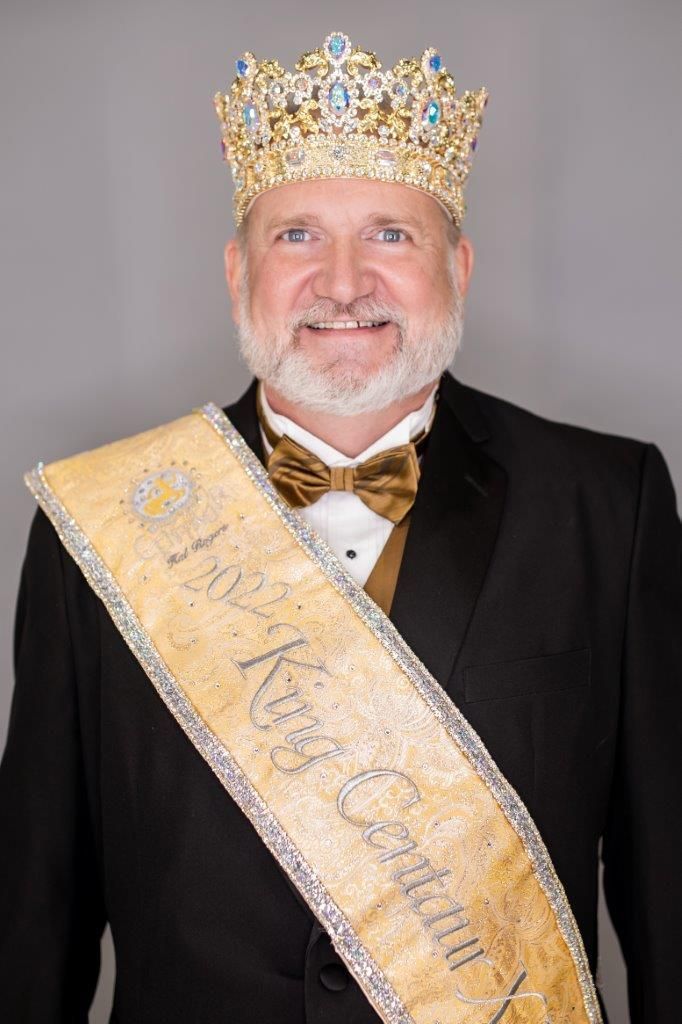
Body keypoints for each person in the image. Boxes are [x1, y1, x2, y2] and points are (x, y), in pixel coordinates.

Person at [0, 30, 680, 1024]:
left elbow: (669, 896)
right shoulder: (96, 524)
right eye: (297, 236)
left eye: (391, 235)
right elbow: (33, 924)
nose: (344, 282)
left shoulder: (606, 507)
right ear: (237, 271)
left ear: (460, 266)